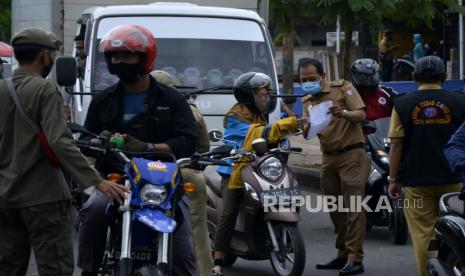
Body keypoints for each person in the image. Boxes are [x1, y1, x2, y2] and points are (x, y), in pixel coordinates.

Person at [0, 27, 128, 276]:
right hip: (44, 198)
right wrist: (96, 182)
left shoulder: (2, 88)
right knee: (55, 268)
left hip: (5, 197)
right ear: (44, 56)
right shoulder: (45, 89)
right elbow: (59, 141)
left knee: (8, 269)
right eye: (53, 55)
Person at [77, 25, 198, 276]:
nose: (120, 62)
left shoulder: (172, 100)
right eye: (115, 57)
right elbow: (86, 139)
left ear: (145, 58)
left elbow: (188, 140)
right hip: (117, 182)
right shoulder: (103, 100)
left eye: (128, 56)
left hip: (163, 183)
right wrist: (100, 141)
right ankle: (88, 271)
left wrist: (148, 147)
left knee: (184, 244)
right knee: (94, 210)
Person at [212, 72, 306, 276]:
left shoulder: (258, 113)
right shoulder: (235, 116)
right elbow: (257, 134)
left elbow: (269, 136)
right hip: (234, 170)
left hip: (258, 167)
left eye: (267, 91)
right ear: (248, 95)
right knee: (228, 213)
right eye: (261, 92)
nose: (266, 95)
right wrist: (291, 123)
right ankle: (218, 255)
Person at [387, 55, 465, 276]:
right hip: (456, 181)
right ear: (445, 76)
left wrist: (393, 180)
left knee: (423, 236)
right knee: (460, 231)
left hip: (417, 182)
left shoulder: (402, 104)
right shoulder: (461, 102)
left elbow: (396, 145)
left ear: (413, 77)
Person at [300, 57, 368, 275]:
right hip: (328, 158)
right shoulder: (307, 100)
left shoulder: (343, 88)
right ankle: (342, 255)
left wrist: (344, 113)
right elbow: (307, 133)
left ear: (323, 76)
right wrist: (305, 126)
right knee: (334, 207)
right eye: (304, 79)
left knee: (353, 207)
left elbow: (362, 114)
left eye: (312, 78)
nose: (308, 82)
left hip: (351, 154)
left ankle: (355, 258)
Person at [150, 69, 213, 276]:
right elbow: (204, 147)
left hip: (151, 175)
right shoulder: (190, 110)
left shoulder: (144, 110)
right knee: (197, 230)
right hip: (187, 173)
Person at [62, 34, 87, 121]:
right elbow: (68, 87)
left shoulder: (95, 64)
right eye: (77, 48)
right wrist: (65, 109)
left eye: (81, 48)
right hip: (79, 104)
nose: (78, 51)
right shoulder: (73, 64)